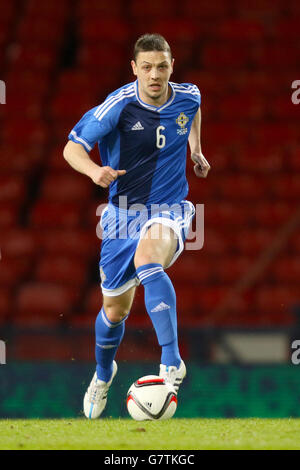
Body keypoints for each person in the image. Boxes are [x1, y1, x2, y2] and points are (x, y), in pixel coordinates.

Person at [63, 33, 210, 419]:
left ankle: (171, 360)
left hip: (169, 208)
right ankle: (102, 374)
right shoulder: (119, 106)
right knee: (114, 311)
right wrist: (95, 170)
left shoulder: (188, 95)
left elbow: (194, 109)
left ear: (171, 66)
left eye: (162, 66)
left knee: (149, 259)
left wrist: (195, 148)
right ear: (135, 69)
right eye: (146, 67)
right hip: (120, 215)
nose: (154, 74)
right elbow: (71, 147)